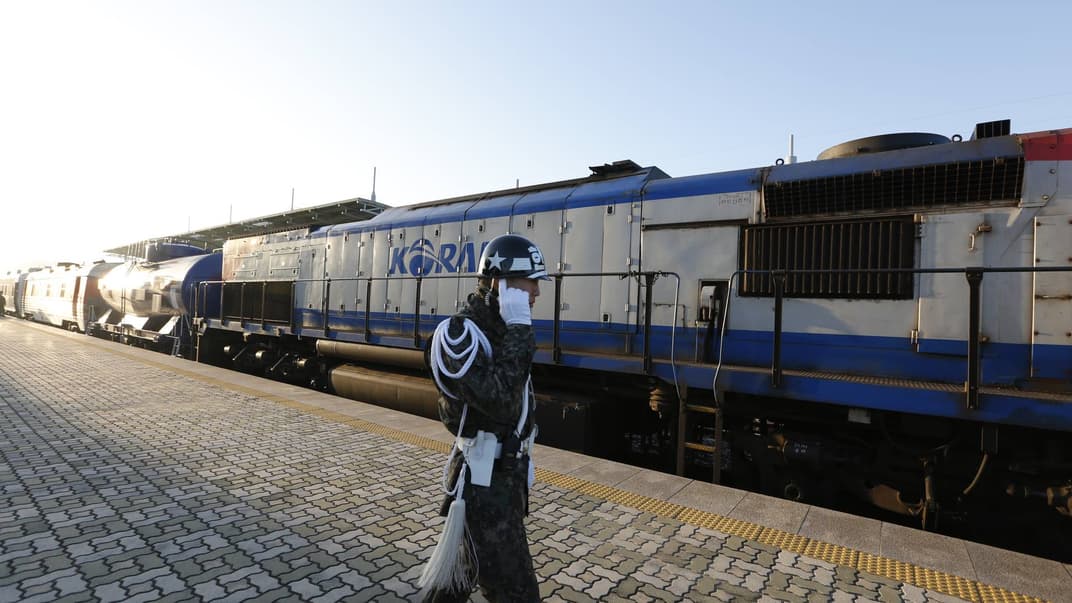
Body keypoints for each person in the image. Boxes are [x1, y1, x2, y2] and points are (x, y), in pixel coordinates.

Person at [418, 233, 547, 602]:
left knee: (457, 579)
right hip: (483, 489)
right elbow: (501, 400)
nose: (537, 292)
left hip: (503, 481)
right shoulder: (460, 334)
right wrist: (520, 329)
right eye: (530, 281)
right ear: (499, 284)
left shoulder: (501, 329)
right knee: (518, 593)